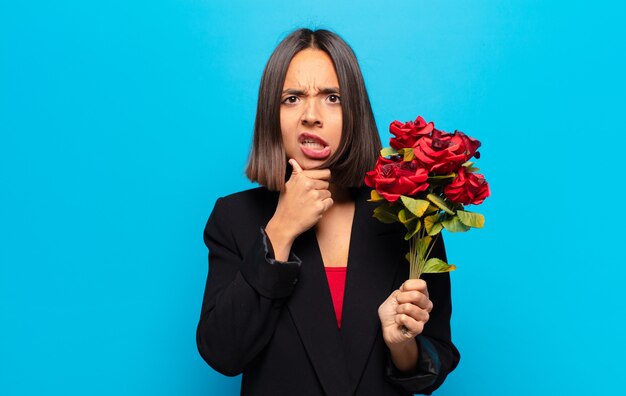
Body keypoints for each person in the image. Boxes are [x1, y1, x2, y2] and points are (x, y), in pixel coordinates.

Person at [196, 28, 460, 395]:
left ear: (354, 111)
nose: (311, 115)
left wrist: (401, 344)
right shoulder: (235, 218)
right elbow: (222, 353)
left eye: (331, 97)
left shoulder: (410, 217)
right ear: (272, 115)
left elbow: (435, 360)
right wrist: (280, 232)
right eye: (292, 98)